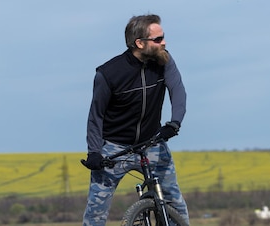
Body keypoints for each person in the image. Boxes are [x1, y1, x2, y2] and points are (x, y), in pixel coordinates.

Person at [80, 14, 189, 226]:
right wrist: (94, 152)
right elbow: (96, 115)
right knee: (96, 211)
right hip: (114, 149)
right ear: (139, 43)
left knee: (175, 203)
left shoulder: (164, 60)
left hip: (152, 143)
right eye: (157, 40)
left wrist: (174, 122)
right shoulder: (108, 73)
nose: (163, 43)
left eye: (163, 37)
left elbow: (178, 91)